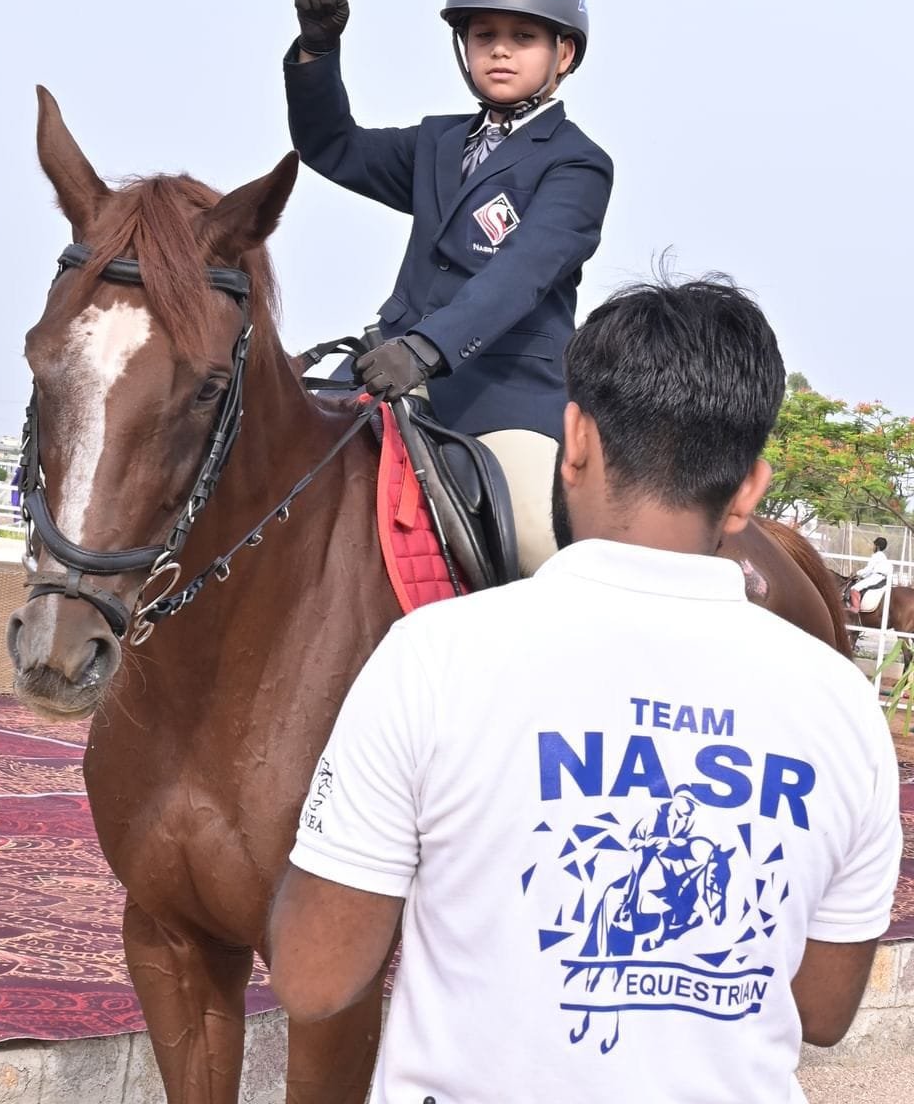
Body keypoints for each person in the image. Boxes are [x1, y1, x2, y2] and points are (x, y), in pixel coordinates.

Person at [268, 278, 901, 1103]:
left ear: (574, 441)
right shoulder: (844, 705)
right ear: (749, 488)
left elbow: (315, 977)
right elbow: (822, 1009)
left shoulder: (432, 654)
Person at [284, 0, 613, 573]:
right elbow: (332, 146)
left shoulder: (577, 163)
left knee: (541, 548)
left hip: (503, 400)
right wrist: (317, 53)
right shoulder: (437, 141)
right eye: (483, 34)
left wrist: (427, 349)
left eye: (523, 36)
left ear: (563, 54)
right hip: (385, 372)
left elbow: (522, 273)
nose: (499, 49)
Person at [849, 536, 893, 613]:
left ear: (877, 546)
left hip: (876, 577)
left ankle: (855, 607)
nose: (873, 547)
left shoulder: (876, 555)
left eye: (874, 545)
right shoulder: (883, 556)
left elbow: (868, 570)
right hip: (883, 578)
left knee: (854, 588)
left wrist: (857, 573)